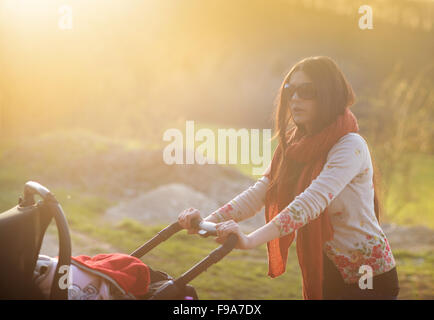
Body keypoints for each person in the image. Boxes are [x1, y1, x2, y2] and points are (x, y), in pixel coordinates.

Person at [178, 56, 399, 300]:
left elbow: (310, 203)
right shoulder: (294, 144)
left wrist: (250, 240)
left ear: (329, 95)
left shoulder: (350, 146)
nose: (295, 98)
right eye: (290, 90)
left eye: (306, 91)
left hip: (370, 278)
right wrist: (207, 223)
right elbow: (262, 191)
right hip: (328, 270)